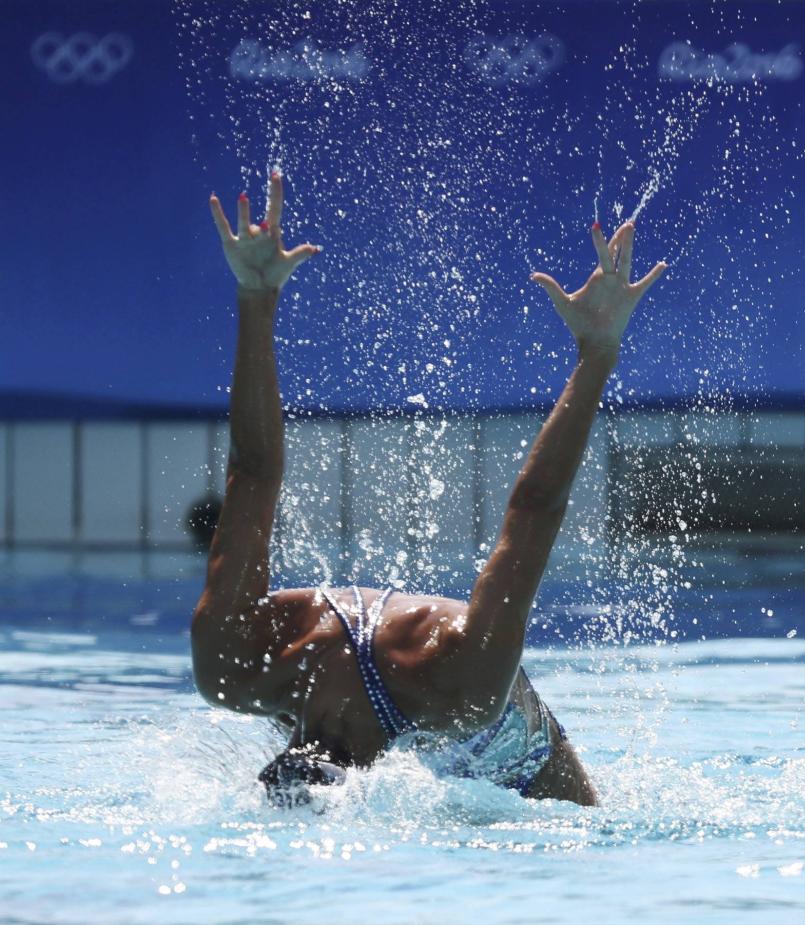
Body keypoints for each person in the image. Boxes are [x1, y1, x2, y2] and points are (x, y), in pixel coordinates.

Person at [193, 169, 666, 805]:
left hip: (507, 749)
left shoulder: (459, 685)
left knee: (586, 832)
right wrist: (254, 297)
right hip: (434, 705)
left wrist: (597, 353)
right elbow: (250, 472)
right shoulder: (238, 668)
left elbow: (536, 512)